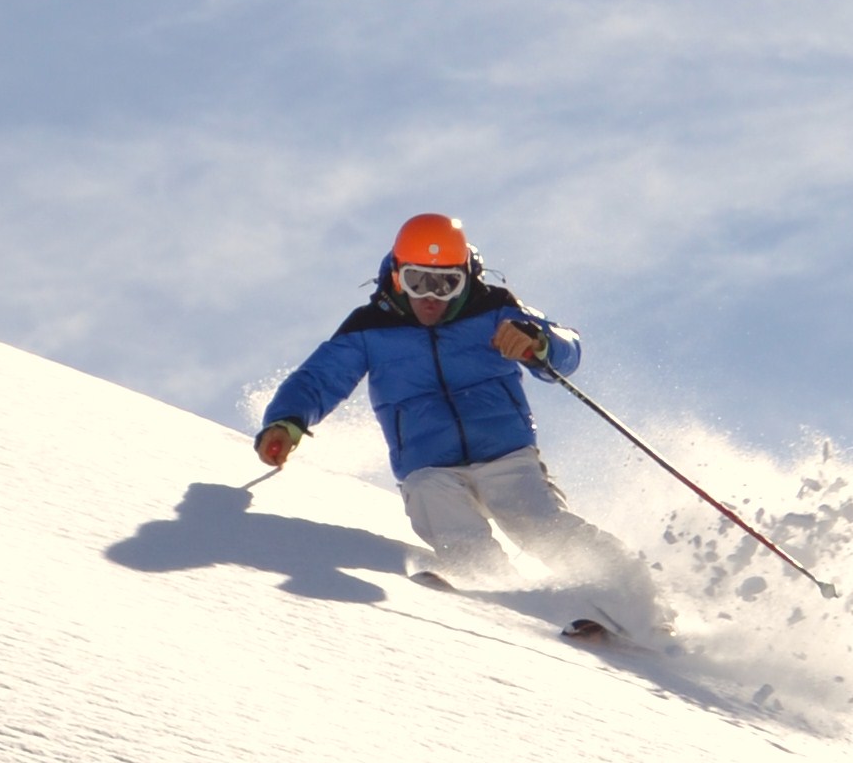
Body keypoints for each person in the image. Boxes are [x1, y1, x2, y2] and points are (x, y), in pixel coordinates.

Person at [254, 213, 665, 637]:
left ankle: (642, 609)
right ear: (397, 278)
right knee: (449, 523)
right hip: (428, 467)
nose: (432, 298)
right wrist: (287, 422)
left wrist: (536, 341)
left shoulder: (494, 309)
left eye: (446, 284)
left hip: (505, 454)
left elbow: (566, 349)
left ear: (466, 278)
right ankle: (520, 607)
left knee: (539, 525)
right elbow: (319, 378)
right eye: (418, 282)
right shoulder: (369, 328)